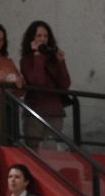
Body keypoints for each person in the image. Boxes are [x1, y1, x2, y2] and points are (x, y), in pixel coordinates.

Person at [19, 20, 72, 148]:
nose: (42, 39)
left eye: (45, 36)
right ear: (31, 38)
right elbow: (38, 81)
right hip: (34, 110)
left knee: (51, 149)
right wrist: (38, 55)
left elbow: (65, 84)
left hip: (54, 111)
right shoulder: (26, 60)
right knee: (34, 148)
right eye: (39, 36)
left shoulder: (54, 59)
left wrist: (61, 62)